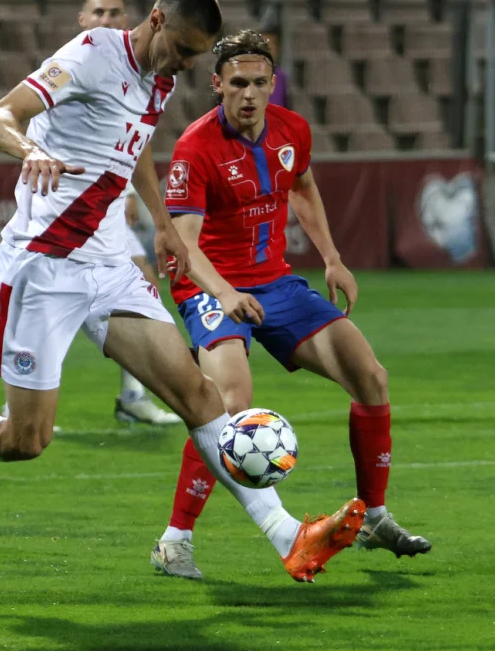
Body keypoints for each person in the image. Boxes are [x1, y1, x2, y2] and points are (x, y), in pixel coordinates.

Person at [0, 0, 366, 584]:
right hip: (43, 267)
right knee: (27, 438)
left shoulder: (160, 75)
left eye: (195, 56)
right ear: (157, 20)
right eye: (185, 50)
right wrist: (30, 149)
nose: (188, 66)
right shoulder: (90, 54)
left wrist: (162, 224)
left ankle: (290, 537)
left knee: (199, 396)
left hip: (108, 262)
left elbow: (131, 144)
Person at [151, 30, 431, 580]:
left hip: (275, 284)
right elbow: (184, 246)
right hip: (210, 286)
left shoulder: (292, 129)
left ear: (272, 83)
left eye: (259, 82)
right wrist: (225, 294)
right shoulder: (195, 147)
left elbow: (301, 188)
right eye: (238, 84)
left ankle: (373, 517)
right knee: (227, 401)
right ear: (217, 85)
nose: (250, 94)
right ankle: (174, 541)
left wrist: (331, 257)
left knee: (370, 376)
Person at [75, 0, 182, 426]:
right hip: (66, 212)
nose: (106, 20)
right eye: (97, 12)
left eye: (115, 12)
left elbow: (134, 142)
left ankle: (133, 395)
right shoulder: (75, 67)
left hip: (110, 211)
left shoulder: (151, 79)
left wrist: (136, 196)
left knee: (141, 282)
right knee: (53, 302)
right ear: (83, 20)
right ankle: (17, 402)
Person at [262, 29, 290, 110]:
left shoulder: (281, 76)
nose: (268, 52)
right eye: (264, 48)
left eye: (271, 47)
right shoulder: (250, 75)